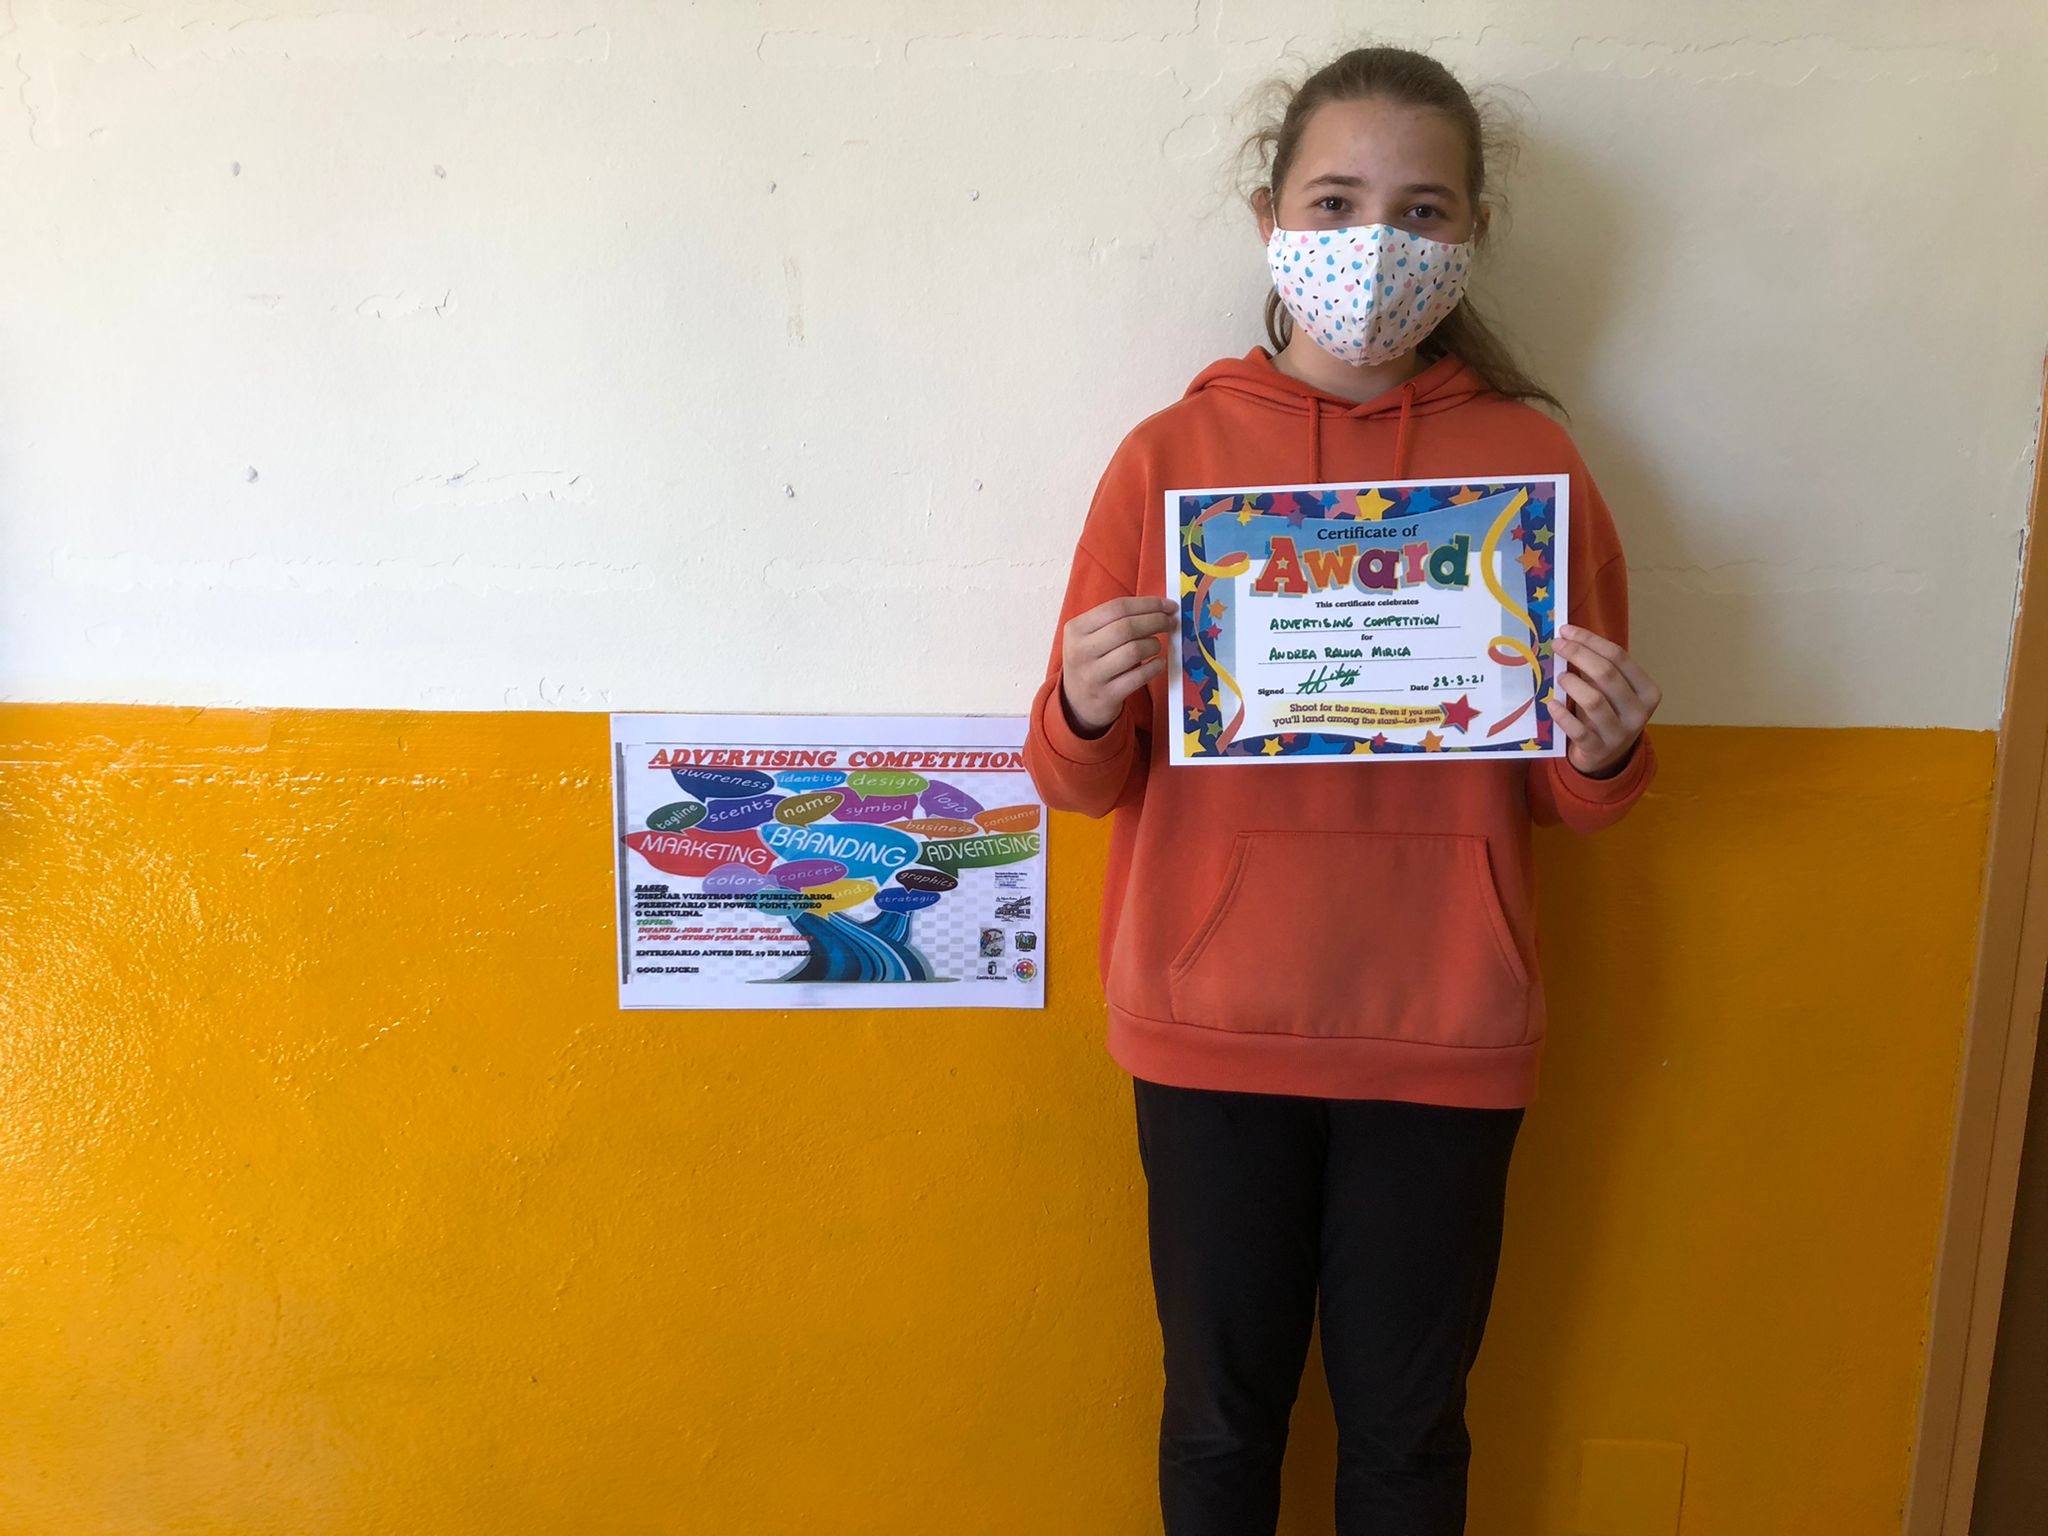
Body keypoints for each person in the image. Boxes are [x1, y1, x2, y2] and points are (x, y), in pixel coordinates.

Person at [1020, 44, 1663, 1536]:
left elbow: (1576, 799)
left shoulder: (1531, 473)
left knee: (1409, 1444)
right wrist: (1085, 700)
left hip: (1445, 1026)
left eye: (1424, 210)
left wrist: (1604, 749)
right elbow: (1071, 777)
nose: (1378, 243)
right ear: (1271, 222)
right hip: (1209, 1024)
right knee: (1218, 1428)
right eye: (1337, 202)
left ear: (1473, 233)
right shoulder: (1169, 461)